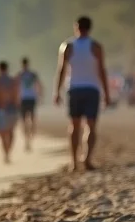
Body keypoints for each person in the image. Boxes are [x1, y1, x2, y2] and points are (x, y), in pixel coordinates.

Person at [54, 16, 111, 171]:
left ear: (75, 27)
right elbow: (102, 71)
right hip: (92, 88)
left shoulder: (67, 46)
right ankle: (86, 159)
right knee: (91, 126)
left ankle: (73, 161)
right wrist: (107, 93)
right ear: (90, 28)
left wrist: (57, 91)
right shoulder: (96, 46)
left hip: (74, 89)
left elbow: (61, 70)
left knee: (74, 126)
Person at [17, 58, 43, 152]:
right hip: (23, 99)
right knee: (24, 121)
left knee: (31, 119)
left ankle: (30, 137)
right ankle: (26, 140)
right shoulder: (19, 75)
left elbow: (39, 85)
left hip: (30, 98)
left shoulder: (32, 74)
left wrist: (40, 95)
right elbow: (16, 87)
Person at [0, 60, 19, 163]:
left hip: (1, 109)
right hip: (12, 109)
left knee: (2, 133)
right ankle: (8, 151)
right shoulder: (12, 80)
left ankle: (5, 152)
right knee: (11, 132)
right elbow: (16, 95)